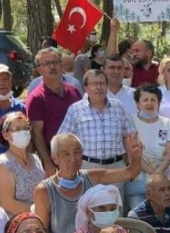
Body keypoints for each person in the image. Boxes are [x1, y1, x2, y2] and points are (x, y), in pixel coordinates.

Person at [33, 133, 142, 233]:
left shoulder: (91, 177)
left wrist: (135, 157)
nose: (73, 158)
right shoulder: (45, 190)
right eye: (66, 154)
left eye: (77, 152)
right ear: (55, 158)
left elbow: (130, 172)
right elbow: (41, 232)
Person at [57, 70, 138, 201]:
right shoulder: (75, 109)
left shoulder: (118, 106)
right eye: (94, 84)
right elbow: (62, 140)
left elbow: (129, 136)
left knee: (115, 209)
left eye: (102, 83)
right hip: (87, 167)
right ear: (86, 88)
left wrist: (132, 164)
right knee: (88, 208)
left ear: (107, 86)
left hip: (116, 167)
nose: (99, 88)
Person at [25, 48, 83, 176]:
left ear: (61, 65)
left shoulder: (74, 91)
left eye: (55, 62)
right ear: (39, 70)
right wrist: (47, 162)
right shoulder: (36, 98)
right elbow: (36, 133)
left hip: (79, 156)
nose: (52, 67)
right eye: (47, 64)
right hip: (56, 160)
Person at [126, 84, 170, 210]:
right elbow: (132, 151)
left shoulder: (167, 122)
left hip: (163, 178)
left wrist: (158, 173)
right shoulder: (130, 121)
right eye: (145, 100)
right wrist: (153, 173)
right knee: (140, 219)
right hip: (139, 179)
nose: (149, 103)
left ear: (159, 102)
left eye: (153, 100)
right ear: (138, 103)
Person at [0, 112, 46, 216]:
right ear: (6, 135)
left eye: (26, 128)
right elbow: (6, 203)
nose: (24, 132)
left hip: (40, 221)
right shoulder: (3, 164)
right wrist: (37, 211)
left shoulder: (35, 159)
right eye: (17, 129)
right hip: (17, 225)